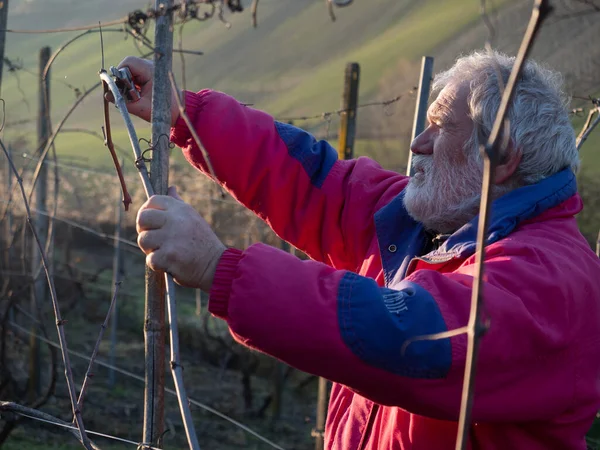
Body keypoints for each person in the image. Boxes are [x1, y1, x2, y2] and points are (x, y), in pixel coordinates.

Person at [111, 50, 600, 449]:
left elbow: (408, 333)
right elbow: (308, 180)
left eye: (441, 127)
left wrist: (220, 268)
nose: (417, 143)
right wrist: (183, 113)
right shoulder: (421, 220)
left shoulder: (552, 279)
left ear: (503, 154)